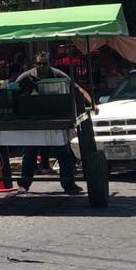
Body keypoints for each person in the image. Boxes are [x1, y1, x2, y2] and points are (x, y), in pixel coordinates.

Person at [15, 52, 89, 194]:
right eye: (39, 64)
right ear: (34, 64)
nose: (41, 67)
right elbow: (13, 93)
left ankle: (68, 183)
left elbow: (77, 89)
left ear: (50, 64)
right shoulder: (25, 77)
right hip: (33, 122)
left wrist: (91, 104)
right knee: (30, 153)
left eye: (44, 64)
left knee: (63, 152)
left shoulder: (58, 75)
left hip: (56, 120)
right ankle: (24, 184)